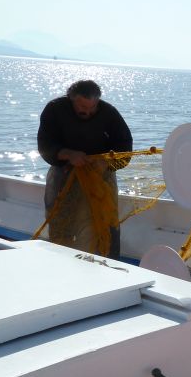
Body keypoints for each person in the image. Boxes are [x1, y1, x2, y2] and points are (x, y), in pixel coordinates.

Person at [37, 79, 132, 258]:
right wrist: (68, 154)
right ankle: (61, 261)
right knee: (61, 222)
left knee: (103, 226)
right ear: (71, 98)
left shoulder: (109, 113)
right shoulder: (55, 109)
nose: (88, 111)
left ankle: (104, 264)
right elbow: (45, 145)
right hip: (64, 176)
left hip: (100, 179)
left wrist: (105, 162)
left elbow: (125, 148)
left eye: (93, 107)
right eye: (82, 107)